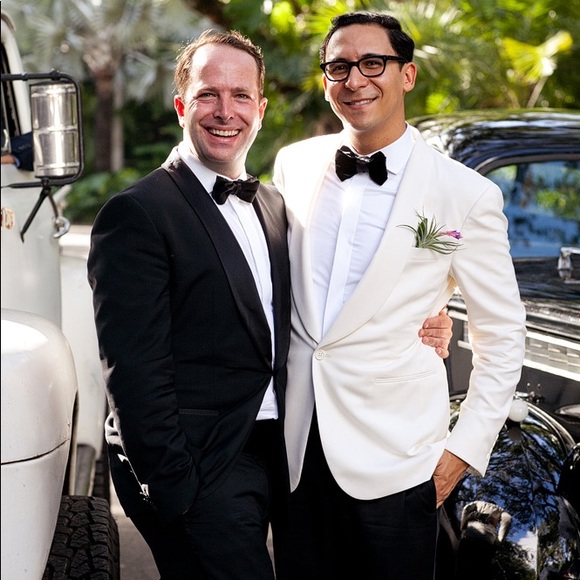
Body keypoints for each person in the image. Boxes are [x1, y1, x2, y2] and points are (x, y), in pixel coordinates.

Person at [88, 27, 452, 580]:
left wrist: (428, 317)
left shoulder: (276, 205)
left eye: (241, 96)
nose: (225, 111)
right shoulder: (137, 213)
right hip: (199, 463)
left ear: (260, 110)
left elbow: (329, 300)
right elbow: (133, 369)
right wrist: (173, 485)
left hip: (282, 453)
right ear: (182, 106)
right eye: (208, 94)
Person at [272, 11, 526, 580]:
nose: (355, 79)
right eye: (339, 66)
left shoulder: (465, 194)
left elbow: (503, 335)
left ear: (406, 75)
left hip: (401, 465)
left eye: (373, 63)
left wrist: (461, 452)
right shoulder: (294, 164)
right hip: (296, 455)